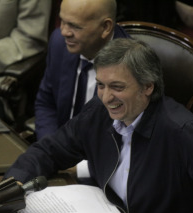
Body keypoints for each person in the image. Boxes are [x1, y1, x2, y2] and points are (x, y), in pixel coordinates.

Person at [5, 38, 193, 213]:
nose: (106, 97)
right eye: (101, 85)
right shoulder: (99, 113)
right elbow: (49, 150)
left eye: (117, 87)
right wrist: (16, 181)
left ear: (147, 87)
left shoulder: (180, 131)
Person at [34, 0, 130, 140]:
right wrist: (51, 148)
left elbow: (126, 138)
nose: (64, 32)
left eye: (75, 26)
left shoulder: (132, 68)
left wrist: (80, 163)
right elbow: (47, 103)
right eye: (62, 21)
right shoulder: (59, 43)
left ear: (105, 27)